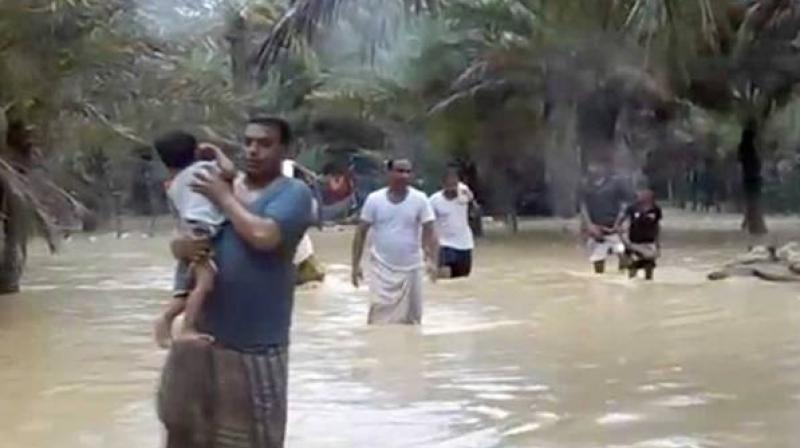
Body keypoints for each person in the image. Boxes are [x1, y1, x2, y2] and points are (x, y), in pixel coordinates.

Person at [156, 117, 313, 448]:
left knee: (252, 440)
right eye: (249, 142)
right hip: (203, 342)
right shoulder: (215, 182)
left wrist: (223, 197)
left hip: (256, 348)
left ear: (287, 150)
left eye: (265, 144)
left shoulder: (294, 193)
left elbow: (264, 236)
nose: (254, 150)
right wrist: (180, 247)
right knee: (186, 433)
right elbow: (184, 234)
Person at [153, 131, 236, 345]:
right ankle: (186, 327)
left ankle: (166, 320)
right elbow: (230, 170)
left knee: (184, 288)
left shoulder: (173, 185)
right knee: (205, 283)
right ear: (196, 151)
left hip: (186, 231)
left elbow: (178, 216)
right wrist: (216, 151)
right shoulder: (204, 170)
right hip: (202, 230)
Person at [351, 158, 439, 324]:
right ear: (389, 173)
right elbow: (360, 232)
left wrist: (433, 261)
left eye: (407, 171)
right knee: (378, 319)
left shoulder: (420, 199)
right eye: (399, 171)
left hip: (412, 268)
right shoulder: (374, 199)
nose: (404, 175)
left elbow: (431, 231)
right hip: (381, 268)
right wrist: (355, 266)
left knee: (412, 321)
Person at [579, 162, 632, 274]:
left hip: (614, 227)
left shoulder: (616, 183)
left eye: (596, 166)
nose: (593, 169)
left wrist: (620, 223)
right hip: (596, 229)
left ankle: (623, 279)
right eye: (590, 167)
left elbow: (625, 204)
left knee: (623, 253)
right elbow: (583, 206)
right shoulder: (585, 186)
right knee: (598, 259)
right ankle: (600, 281)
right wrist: (589, 226)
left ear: (603, 169)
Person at [429, 169, 475, 278]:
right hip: (444, 244)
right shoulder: (434, 200)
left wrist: (469, 196)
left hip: (465, 243)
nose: (452, 188)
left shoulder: (464, 196)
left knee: (462, 277)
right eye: (449, 184)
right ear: (443, 184)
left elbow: (474, 208)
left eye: (454, 184)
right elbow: (428, 223)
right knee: (444, 274)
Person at [617, 188, 662, 280]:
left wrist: (657, 244)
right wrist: (624, 239)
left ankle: (648, 286)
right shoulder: (632, 208)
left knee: (649, 266)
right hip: (634, 242)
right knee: (633, 268)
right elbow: (619, 223)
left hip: (649, 242)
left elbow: (657, 226)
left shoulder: (656, 209)